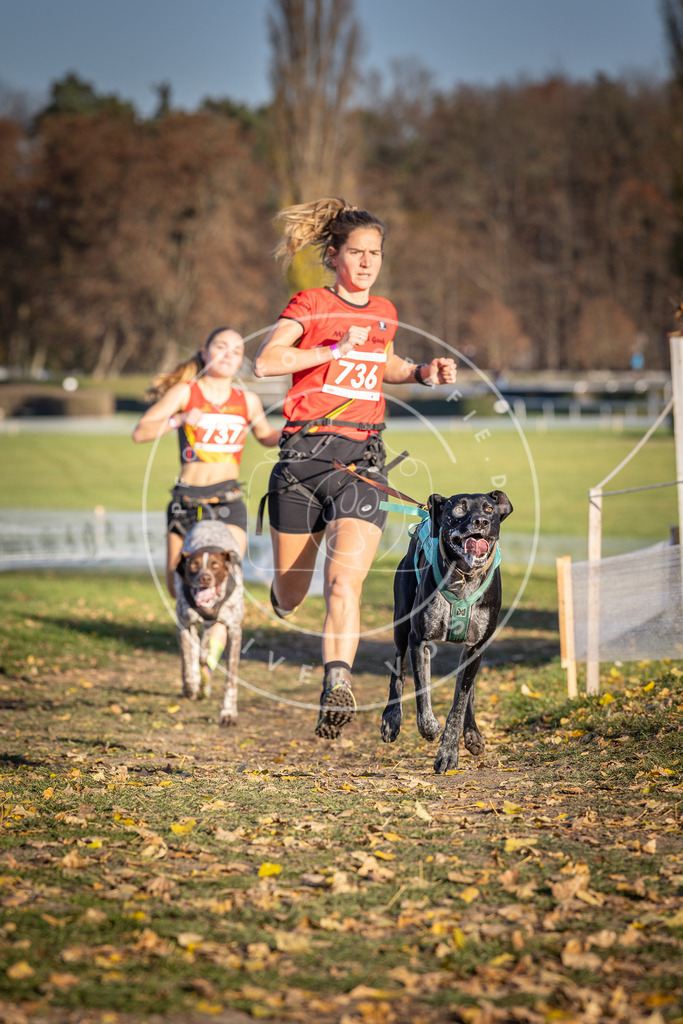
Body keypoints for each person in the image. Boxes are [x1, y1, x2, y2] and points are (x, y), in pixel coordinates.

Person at [254, 197, 457, 739]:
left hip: (361, 464)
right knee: (292, 596)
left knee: (343, 583)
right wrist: (328, 350)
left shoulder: (385, 312)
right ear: (334, 254)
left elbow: (381, 362)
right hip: (301, 464)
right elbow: (267, 361)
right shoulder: (310, 303)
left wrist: (420, 371)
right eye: (357, 252)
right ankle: (280, 592)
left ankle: (336, 685)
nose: (367, 262)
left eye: (375, 253)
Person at [133, 327, 279, 596]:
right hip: (187, 500)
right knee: (178, 586)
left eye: (237, 351)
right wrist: (179, 419)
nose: (228, 355)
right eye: (221, 346)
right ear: (205, 352)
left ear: (241, 361)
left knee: (228, 577)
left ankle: (217, 636)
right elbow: (141, 432)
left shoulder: (248, 400)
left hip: (228, 499)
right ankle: (190, 633)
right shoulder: (185, 393)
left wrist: (301, 430)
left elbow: (268, 435)